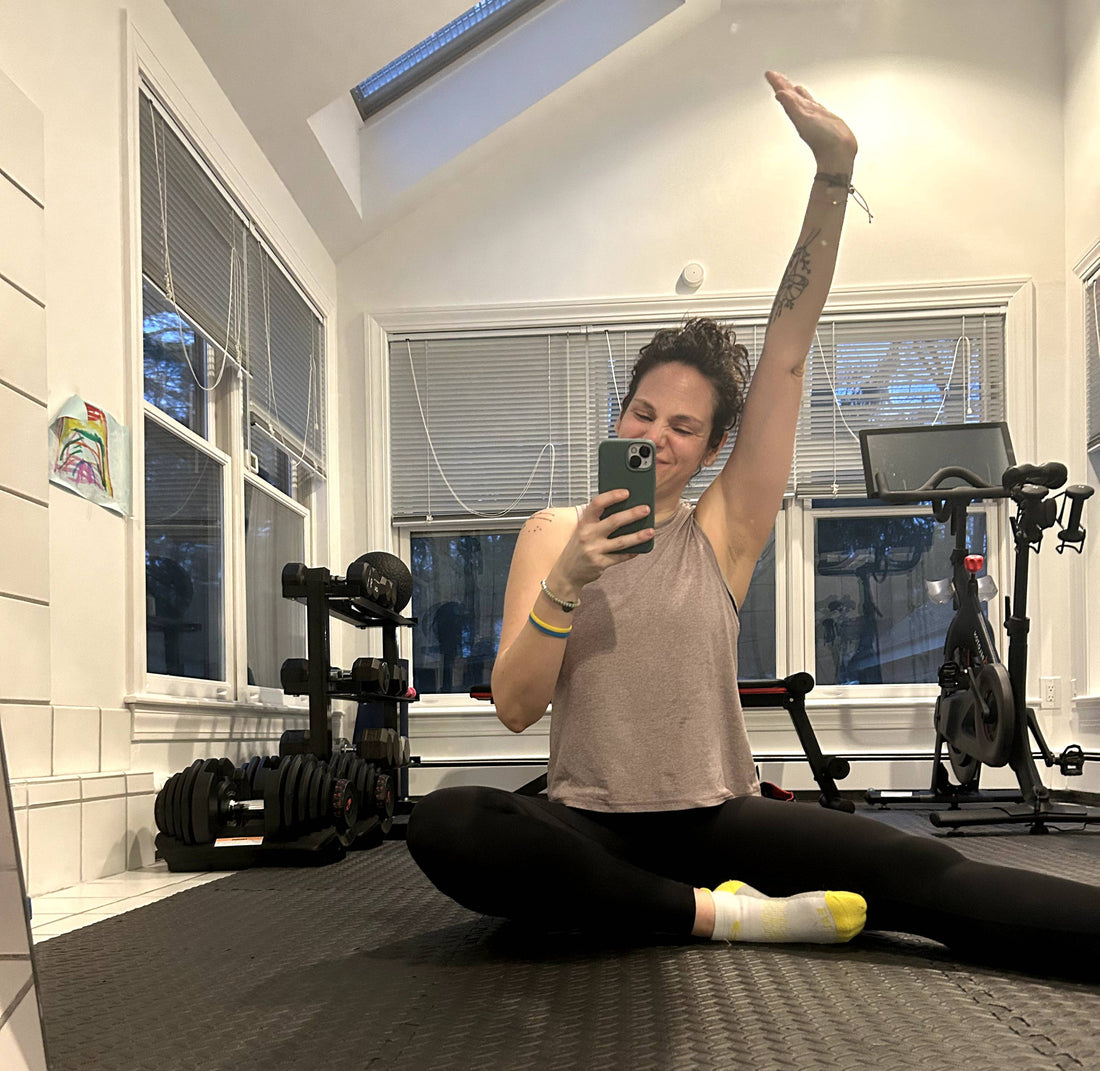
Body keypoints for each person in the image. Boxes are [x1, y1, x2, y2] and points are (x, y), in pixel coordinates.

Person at [407, 71, 1100, 976]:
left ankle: (673, 908)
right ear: (619, 415)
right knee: (448, 822)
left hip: (719, 821)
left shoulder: (722, 530)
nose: (656, 437)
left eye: (683, 427)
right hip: (588, 826)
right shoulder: (550, 533)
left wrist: (833, 178)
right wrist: (569, 580)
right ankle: (719, 919)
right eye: (642, 414)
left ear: (711, 447)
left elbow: (786, 349)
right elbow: (513, 708)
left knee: (924, 870)